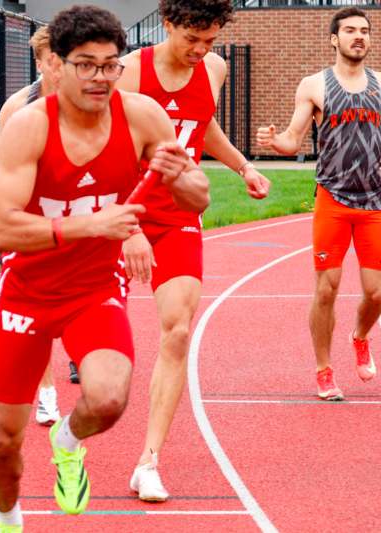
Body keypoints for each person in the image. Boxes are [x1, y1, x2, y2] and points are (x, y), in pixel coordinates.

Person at [0, 6, 210, 532]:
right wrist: (89, 226)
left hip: (93, 289)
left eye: (110, 65)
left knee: (108, 400)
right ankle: (8, 520)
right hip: (28, 293)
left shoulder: (143, 117)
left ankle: (67, 441)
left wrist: (180, 176)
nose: (100, 77)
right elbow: (0, 229)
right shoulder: (28, 127)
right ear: (57, 66)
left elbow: (196, 199)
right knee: (2, 442)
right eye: (85, 64)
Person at [114, 0, 272, 503]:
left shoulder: (215, 68)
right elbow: (108, 148)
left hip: (178, 215)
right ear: (168, 25)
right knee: (92, 346)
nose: (201, 51)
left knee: (178, 331)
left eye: (210, 42)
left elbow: (201, 128)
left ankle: (149, 461)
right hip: (120, 214)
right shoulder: (132, 71)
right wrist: (128, 229)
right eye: (192, 41)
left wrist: (242, 166)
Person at [257, 7, 381, 402]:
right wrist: (275, 142)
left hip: (375, 202)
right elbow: (294, 139)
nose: (358, 36)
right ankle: (324, 370)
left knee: (376, 293)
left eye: (364, 31)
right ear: (335, 39)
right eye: (349, 31)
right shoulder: (314, 85)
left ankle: (360, 337)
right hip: (333, 198)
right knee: (326, 289)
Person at [0, 26, 69, 428]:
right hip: (33, 221)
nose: (56, 68)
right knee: (36, 315)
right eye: (49, 61)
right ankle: (47, 394)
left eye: (62, 59)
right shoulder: (18, 107)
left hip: (78, 217)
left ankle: (81, 353)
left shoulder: (93, 104)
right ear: (39, 63)